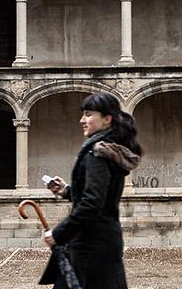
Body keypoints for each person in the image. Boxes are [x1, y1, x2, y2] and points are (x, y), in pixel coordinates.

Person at [40, 91, 142, 289]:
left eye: (88, 114)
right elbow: (100, 197)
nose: (82, 120)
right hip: (104, 240)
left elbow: (92, 203)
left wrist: (59, 233)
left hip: (91, 245)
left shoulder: (97, 154)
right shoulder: (110, 150)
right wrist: (67, 191)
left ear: (106, 119)